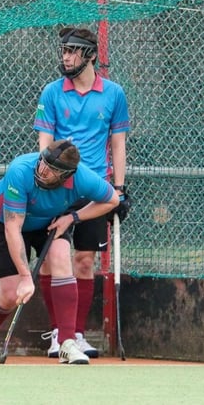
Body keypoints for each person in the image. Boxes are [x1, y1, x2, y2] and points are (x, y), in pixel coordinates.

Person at [33, 26, 131, 358]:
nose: (66, 57)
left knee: (85, 261)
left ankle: (76, 333)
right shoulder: (51, 92)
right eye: (63, 51)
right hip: (57, 188)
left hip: (94, 188)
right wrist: (45, 177)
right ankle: (58, 335)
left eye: (72, 51)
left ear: (90, 55)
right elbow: (44, 142)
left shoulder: (114, 94)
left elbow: (117, 143)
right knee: (51, 260)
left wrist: (118, 188)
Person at [0, 140, 119, 364]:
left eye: (51, 170)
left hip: (50, 222)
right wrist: (25, 277)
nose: (42, 170)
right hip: (6, 220)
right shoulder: (21, 170)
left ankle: (66, 342)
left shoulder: (82, 177)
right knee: (11, 295)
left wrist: (72, 217)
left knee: (62, 258)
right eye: (43, 163)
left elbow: (111, 200)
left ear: (67, 176)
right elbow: (12, 228)